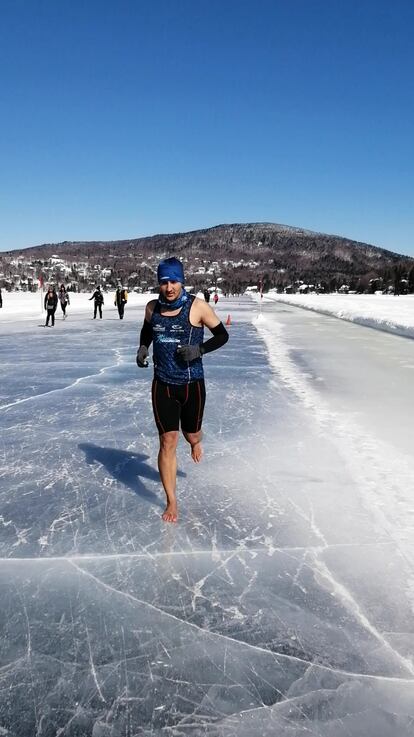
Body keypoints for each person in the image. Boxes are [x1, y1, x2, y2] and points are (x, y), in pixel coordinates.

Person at [136, 257, 229, 523]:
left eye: (174, 281)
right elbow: (147, 331)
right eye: (164, 282)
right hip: (163, 384)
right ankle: (172, 501)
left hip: (192, 385)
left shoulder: (198, 307)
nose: (169, 287)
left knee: (191, 434)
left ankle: (196, 442)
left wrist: (199, 350)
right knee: (167, 441)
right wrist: (144, 348)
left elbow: (222, 335)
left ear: (182, 281)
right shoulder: (152, 308)